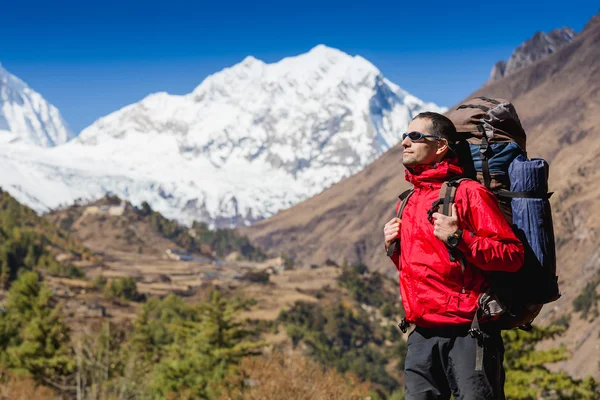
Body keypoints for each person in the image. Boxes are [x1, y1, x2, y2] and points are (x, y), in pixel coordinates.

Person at [383, 112, 524, 400]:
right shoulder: (408, 201)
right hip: (421, 336)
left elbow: (512, 255)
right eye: (404, 137)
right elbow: (425, 267)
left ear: (441, 146)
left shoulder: (470, 194)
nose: (405, 143)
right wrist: (393, 249)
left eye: (415, 137)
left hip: (469, 335)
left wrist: (460, 238)